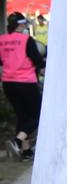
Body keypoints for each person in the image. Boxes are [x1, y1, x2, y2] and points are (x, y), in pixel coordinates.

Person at [0, 13, 44, 159]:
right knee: (38, 115)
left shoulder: (2, 40)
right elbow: (38, 61)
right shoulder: (27, 40)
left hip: (8, 83)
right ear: (21, 24)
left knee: (23, 116)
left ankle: (25, 151)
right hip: (25, 82)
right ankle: (17, 141)